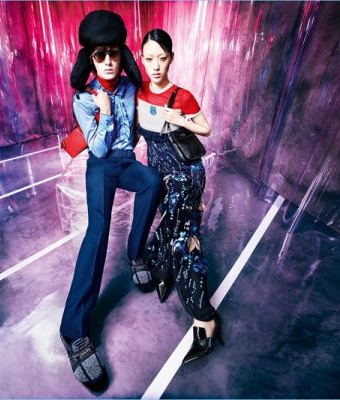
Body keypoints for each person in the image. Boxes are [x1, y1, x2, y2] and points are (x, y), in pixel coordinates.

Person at [59, 10, 162, 392]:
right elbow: (98, 148)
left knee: (152, 182)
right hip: (101, 166)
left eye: (113, 54)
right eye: (99, 55)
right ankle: (73, 330)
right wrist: (104, 112)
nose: (106, 61)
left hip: (126, 162)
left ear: (122, 55)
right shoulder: (83, 99)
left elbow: (143, 122)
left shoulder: (131, 87)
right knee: (98, 231)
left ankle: (136, 255)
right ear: (90, 59)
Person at [137, 29, 224, 364]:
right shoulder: (139, 92)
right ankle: (163, 272)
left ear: (171, 58)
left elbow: (206, 129)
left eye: (162, 58)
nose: (156, 65)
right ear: (142, 59)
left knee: (184, 243)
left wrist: (181, 119)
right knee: (170, 230)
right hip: (159, 176)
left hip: (186, 177)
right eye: (149, 59)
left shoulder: (182, 95)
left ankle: (206, 320)